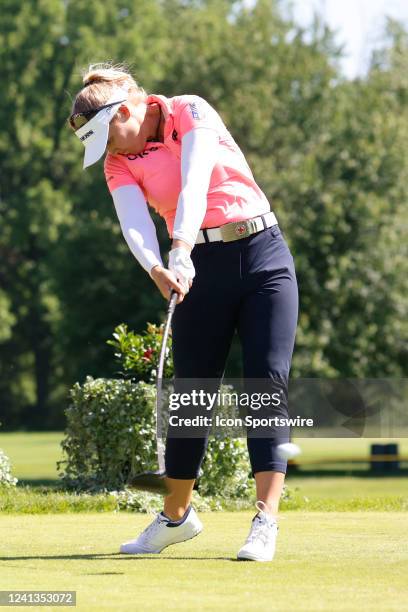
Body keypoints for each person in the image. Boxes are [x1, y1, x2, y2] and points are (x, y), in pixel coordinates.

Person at [68, 62, 299, 562]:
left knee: (265, 385)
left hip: (261, 253)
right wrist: (156, 266)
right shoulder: (118, 162)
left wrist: (179, 247)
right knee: (191, 392)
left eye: (110, 135)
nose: (110, 149)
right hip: (197, 268)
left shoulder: (190, 110)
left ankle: (265, 520)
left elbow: (194, 182)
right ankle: (177, 517)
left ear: (127, 110)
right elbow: (133, 222)